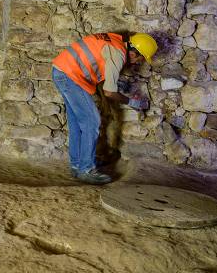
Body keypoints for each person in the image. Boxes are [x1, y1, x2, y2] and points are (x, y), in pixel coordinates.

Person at [51, 32, 157, 184]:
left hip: (62, 70)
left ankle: (78, 165)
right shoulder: (118, 53)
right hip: (70, 75)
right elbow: (109, 91)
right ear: (133, 53)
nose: (137, 63)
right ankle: (86, 169)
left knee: (76, 123)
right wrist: (133, 102)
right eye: (140, 59)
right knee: (91, 121)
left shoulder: (114, 41)